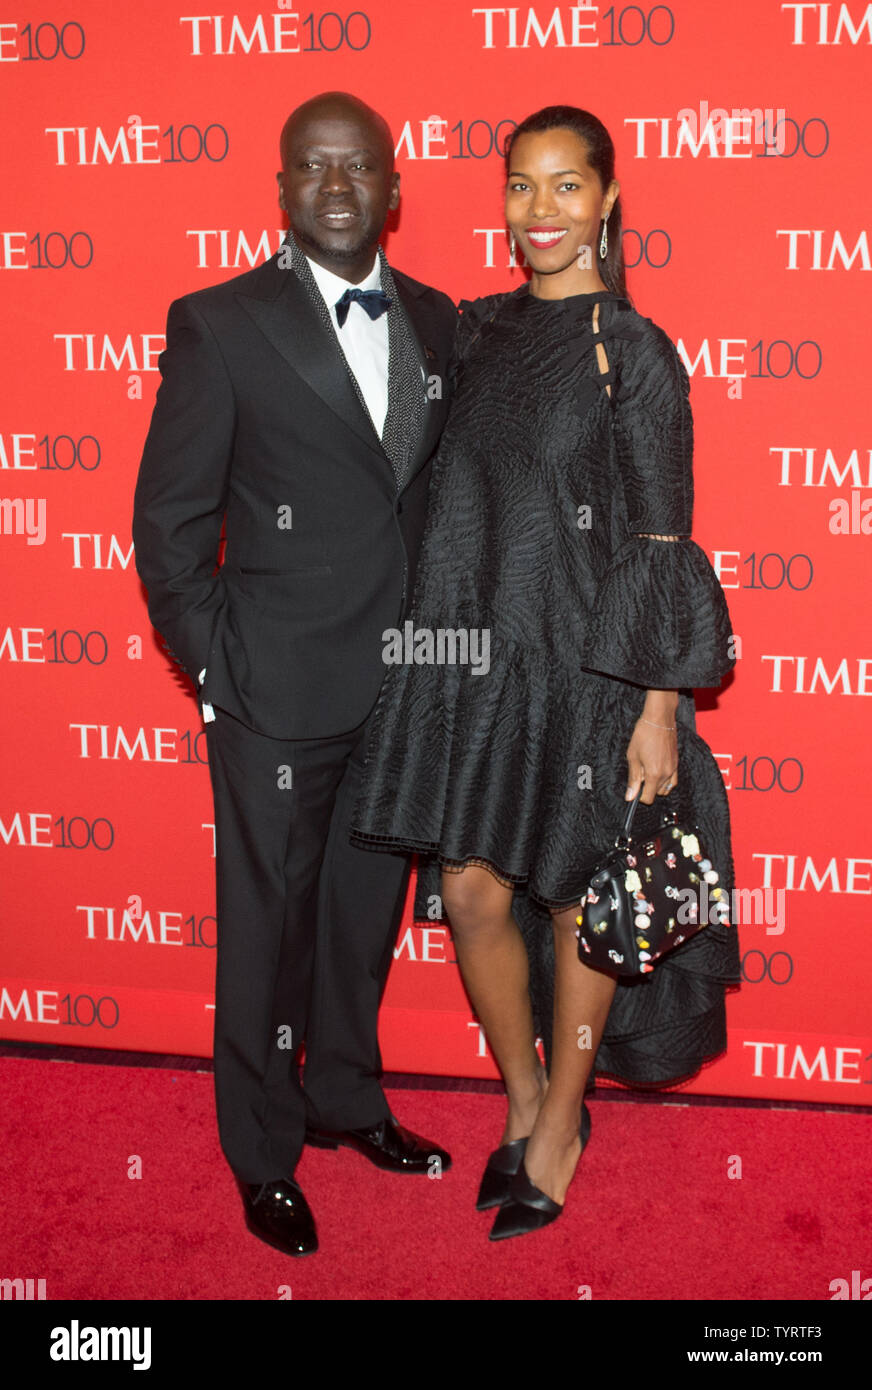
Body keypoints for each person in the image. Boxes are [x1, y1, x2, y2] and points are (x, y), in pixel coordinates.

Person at [351, 105, 740, 1241]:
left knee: (575, 897)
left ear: (607, 201)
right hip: (471, 661)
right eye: (521, 186)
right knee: (470, 890)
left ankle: (561, 1121)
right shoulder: (469, 334)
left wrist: (657, 704)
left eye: (566, 187)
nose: (540, 212)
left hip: (586, 668)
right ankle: (518, 1096)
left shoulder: (636, 353)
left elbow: (661, 542)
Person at [132, 91, 457, 1257]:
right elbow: (167, 526)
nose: (336, 185)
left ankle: (346, 1099)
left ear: (391, 187)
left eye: (358, 166)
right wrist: (221, 670)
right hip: (273, 691)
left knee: (360, 920)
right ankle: (262, 1152)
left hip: (400, 692)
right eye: (312, 168)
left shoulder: (435, 321)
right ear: (280, 190)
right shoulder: (222, 323)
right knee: (265, 929)